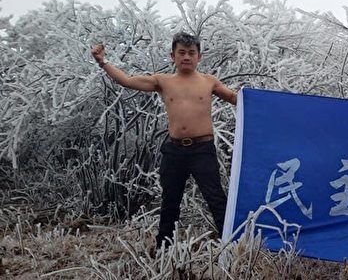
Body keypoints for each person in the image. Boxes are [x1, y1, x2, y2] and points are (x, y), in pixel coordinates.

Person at [91, 32, 238, 248]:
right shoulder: (163, 81)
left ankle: (231, 246)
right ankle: (163, 249)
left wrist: (266, 101)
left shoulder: (209, 82)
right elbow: (127, 81)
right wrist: (103, 62)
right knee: (170, 201)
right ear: (173, 56)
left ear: (199, 57)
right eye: (182, 52)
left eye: (191, 53)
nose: (186, 57)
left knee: (216, 198)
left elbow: (236, 98)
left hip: (202, 150)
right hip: (174, 151)